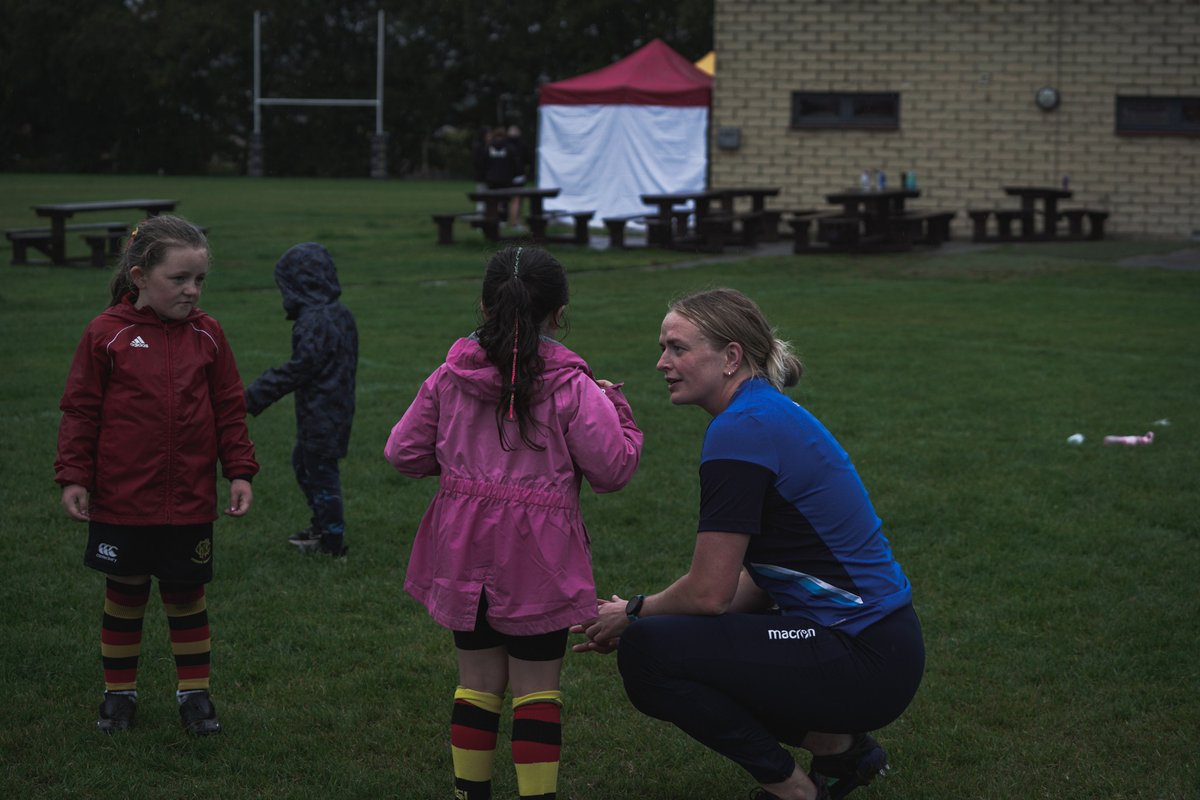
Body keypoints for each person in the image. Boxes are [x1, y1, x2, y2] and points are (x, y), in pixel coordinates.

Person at [574, 288, 924, 800]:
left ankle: (795, 792)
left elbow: (709, 593)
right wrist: (650, 617)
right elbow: (756, 586)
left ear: (731, 357)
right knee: (672, 637)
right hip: (880, 647)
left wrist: (634, 613)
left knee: (650, 652)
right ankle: (839, 749)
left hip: (863, 653)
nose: (661, 363)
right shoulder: (759, 413)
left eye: (677, 348)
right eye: (663, 347)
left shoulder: (742, 430)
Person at [385, 245, 643, 800]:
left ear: (484, 307)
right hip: (540, 559)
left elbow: (402, 452)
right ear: (559, 312)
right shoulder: (575, 387)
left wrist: (459, 467)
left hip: (462, 548)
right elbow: (613, 468)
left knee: (475, 684)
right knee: (536, 690)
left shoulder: (450, 377)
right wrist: (617, 407)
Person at [55, 215, 259, 736]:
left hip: (188, 499)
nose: (192, 291)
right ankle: (118, 696)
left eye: (200, 280)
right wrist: (74, 476)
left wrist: (239, 471)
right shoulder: (107, 334)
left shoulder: (208, 335)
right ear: (140, 276)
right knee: (125, 594)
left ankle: (195, 696)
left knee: (186, 595)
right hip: (123, 499)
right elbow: (81, 411)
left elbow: (230, 410)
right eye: (179, 279)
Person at [244, 242, 357, 558]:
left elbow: (300, 368)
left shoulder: (315, 320)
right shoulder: (338, 313)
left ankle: (332, 540)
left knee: (320, 471)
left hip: (323, 411)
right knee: (305, 464)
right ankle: (322, 526)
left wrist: (255, 395)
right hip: (335, 407)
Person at [484, 126, 523, 228]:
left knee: (494, 201)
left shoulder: (488, 147)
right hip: (507, 179)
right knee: (514, 200)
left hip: (492, 179)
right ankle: (514, 223)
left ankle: (495, 223)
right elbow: (516, 164)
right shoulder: (510, 147)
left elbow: (483, 163)